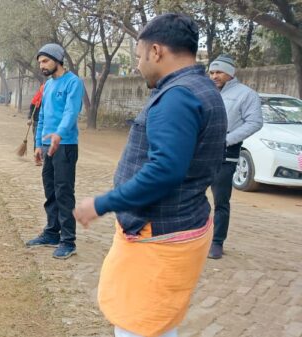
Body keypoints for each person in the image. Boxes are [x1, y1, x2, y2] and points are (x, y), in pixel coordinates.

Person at [73, 13, 227, 337]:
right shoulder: (203, 88)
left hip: (158, 234)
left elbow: (164, 171)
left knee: (138, 324)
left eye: (139, 56)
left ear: (156, 51)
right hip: (180, 224)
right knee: (156, 323)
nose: (138, 66)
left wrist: (102, 203)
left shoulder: (178, 97)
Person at [24, 43, 85, 260]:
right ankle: (52, 232)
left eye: (45, 61)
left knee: (64, 192)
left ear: (58, 60)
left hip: (65, 145)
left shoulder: (73, 83)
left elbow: (71, 112)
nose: (42, 65)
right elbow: (41, 116)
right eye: (40, 62)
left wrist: (59, 134)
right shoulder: (48, 85)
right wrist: (39, 145)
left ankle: (68, 241)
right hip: (48, 146)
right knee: (50, 190)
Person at [207, 54, 263, 259]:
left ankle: (217, 242)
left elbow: (255, 122)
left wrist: (227, 140)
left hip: (225, 155)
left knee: (221, 201)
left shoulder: (245, 94)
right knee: (191, 196)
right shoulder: (205, 91)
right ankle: (193, 237)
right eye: (212, 72)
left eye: (219, 72)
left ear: (230, 74)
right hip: (200, 153)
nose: (214, 76)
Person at [29, 83, 45, 155]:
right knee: (37, 138)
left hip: (47, 123)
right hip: (36, 121)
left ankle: (43, 155)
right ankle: (37, 155)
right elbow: (31, 108)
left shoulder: (50, 99)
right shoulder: (37, 98)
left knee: (45, 139)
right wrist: (30, 118)